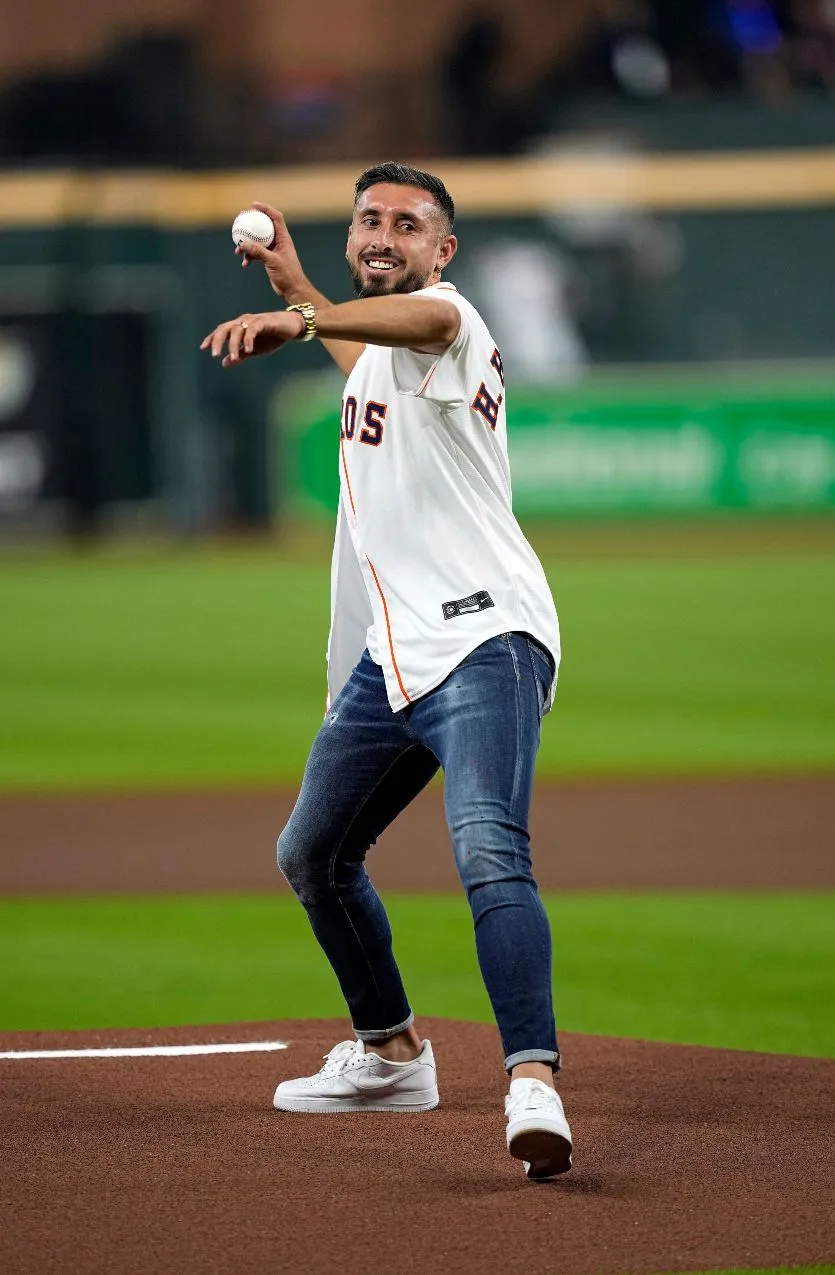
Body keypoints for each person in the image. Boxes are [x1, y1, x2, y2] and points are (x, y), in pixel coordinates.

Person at [200, 162, 572, 1180]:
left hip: (486, 637)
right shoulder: (374, 348)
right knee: (312, 855)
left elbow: (418, 330)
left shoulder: (452, 317)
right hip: (394, 656)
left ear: (440, 253)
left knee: (489, 847)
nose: (386, 232)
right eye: (371, 217)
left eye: (409, 225)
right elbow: (365, 350)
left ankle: (532, 1080)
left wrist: (311, 319)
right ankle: (391, 1054)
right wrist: (297, 292)